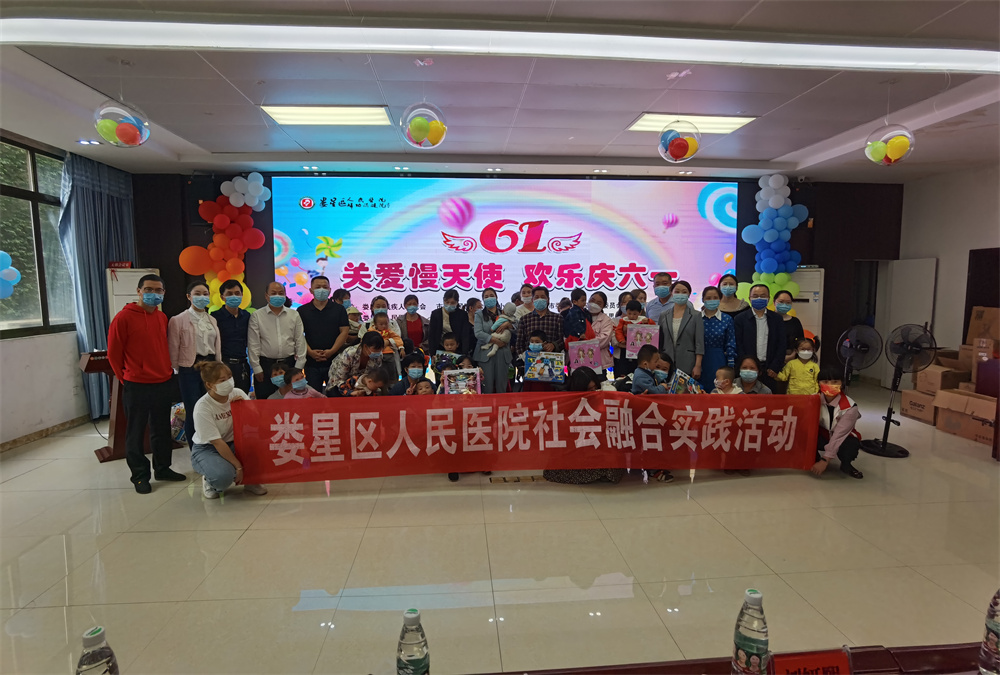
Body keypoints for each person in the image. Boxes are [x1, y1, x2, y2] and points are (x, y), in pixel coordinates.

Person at [107, 274, 186, 494]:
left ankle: (163, 468)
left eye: (158, 290)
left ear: (164, 293)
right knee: (136, 431)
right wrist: (126, 378)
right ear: (139, 291)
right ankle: (140, 476)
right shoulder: (123, 318)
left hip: (162, 382)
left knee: (161, 429)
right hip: (137, 384)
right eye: (149, 289)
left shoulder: (162, 317)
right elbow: (114, 354)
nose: (154, 294)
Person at [189, 361, 267, 499]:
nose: (228, 382)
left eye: (229, 377)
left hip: (234, 442)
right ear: (210, 385)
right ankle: (210, 481)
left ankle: (250, 481)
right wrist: (238, 467)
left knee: (261, 447)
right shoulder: (203, 407)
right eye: (222, 380)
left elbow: (256, 420)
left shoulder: (237, 393)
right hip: (208, 448)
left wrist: (245, 408)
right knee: (223, 476)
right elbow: (217, 442)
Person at [543, 367, 625, 485]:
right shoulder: (567, 403)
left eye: (595, 388)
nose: (594, 391)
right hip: (577, 450)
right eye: (589, 389)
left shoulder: (603, 397)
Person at [168, 281, 222, 449]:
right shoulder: (178, 320)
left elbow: (216, 345)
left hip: (210, 366)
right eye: (197, 294)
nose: (202, 297)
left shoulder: (212, 319)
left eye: (205, 294)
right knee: (194, 410)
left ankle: (211, 446)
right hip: (189, 367)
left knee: (211, 408)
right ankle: (196, 449)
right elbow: (173, 347)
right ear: (189, 296)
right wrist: (176, 369)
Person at [249, 282, 306, 399]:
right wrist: (256, 368)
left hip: (289, 364)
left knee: (291, 400)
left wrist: (299, 366)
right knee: (265, 401)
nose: (277, 296)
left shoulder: (294, 314)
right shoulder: (257, 315)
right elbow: (253, 343)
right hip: (266, 365)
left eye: (281, 293)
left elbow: (300, 340)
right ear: (266, 296)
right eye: (273, 293)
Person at [298, 275, 350, 392]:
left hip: (335, 361)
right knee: (313, 396)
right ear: (311, 290)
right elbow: (298, 335)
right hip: (311, 363)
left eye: (325, 287)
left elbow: (344, 331)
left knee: (335, 394)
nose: (321, 290)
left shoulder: (339, 309)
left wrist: (331, 351)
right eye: (318, 287)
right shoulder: (302, 311)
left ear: (330, 290)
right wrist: (310, 352)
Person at [631, 345, 674, 484]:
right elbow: (654, 392)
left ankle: (657, 466)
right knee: (650, 443)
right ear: (645, 364)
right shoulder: (641, 376)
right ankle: (653, 470)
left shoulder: (648, 373)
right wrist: (662, 387)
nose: (657, 364)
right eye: (656, 361)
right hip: (644, 415)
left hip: (651, 413)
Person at [813, 367, 864, 479]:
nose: (830, 385)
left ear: (842, 383)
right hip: (822, 434)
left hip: (843, 437)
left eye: (835, 381)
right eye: (825, 381)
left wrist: (825, 460)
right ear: (818, 383)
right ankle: (813, 458)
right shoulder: (813, 400)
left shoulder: (850, 407)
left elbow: (839, 435)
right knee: (804, 433)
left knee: (851, 445)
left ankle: (846, 465)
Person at [733, 284, 785, 392]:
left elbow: (781, 345)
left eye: (763, 296)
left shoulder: (777, 319)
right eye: (755, 296)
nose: (759, 298)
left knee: (768, 399)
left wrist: (775, 367)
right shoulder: (740, 319)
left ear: (768, 298)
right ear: (749, 298)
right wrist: (745, 365)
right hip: (747, 370)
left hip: (769, 369)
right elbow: (738, 344)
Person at [658, 280, 704, 380]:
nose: (680, 294)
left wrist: (698, 365)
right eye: (677, 291)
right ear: (671, 293)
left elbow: (699, 343)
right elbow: (660, 340)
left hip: (688, 363)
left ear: (689, 294)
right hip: (666, 363)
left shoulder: (696, 315)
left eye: (684, 292)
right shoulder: (663, 315)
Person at [211, 279, 252, 393]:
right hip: (223, 365)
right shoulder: (215, 317)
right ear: (222, 297)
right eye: (229, 294)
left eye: (237, 293)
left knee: (242, 396)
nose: (234, 296)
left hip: (243, 365)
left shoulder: (247, 316)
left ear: (242, 295)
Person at [474, 289, 515, 394]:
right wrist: (495, 340)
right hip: (485, 355)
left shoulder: (505, 313)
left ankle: (502, 405)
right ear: (483, 300)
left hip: (503, 353)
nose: (489, 298)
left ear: (496, 298)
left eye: (491, 295)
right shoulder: (479, 314)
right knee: (487, 387)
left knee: (502, 386)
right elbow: (478, 333)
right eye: (486, 297)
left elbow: (517, 327)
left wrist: (509, 325)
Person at [699, 285, 737, 392]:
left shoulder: (727, 319)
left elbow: (731, 342)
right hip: (699, 359)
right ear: (703, 300)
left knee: (719, 390)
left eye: (715, 298)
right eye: (708, 298)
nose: (712, 300)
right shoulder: (696, 318)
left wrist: (731, 364)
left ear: (720, 299)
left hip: (719, 359)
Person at [326, 331, 385, 395]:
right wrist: (351, 393)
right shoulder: (349, 354)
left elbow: (374, 377)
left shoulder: (379, 356)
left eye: (380, 349)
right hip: (339, 385)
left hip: (363, 386)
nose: (378, 352)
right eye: (375, 349)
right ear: (365, 347)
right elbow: (339, 380)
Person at [514, 286, 564, 358]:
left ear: (548, 299)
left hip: (552, 360)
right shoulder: (524, 319)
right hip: (529, 361)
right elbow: (519, 344)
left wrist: (554, 345)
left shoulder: (557, 318)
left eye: (543, 297)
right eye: (536, 297)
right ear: (532, 300)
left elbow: (562, 340)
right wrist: (524, 358)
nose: (539, 299)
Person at [613, 300, 655, 378]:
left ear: (640, 312)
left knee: (638, 364)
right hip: (626, 345)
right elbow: (618, 331)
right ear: (626, 311)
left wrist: (648, 321)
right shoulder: (623, 320)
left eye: (634, 314)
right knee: (624, 365)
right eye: (629, 313)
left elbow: (653, 327)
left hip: (640, 347)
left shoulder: (643, 320)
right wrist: (621, 340)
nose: (632, 316)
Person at [428, 289, 470, 354]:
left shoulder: (462, 314)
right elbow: (432, 335)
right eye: (447, 302)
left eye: (452, 303)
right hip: (440, 348)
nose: (449, 304)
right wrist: (432, 353)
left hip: (458, 349)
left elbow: (465, 335)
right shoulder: (436, 314)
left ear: (457, 302)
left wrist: (464, 354)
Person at [774, 290, 805, 361]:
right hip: (770, 359)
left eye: (788, 302)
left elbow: (801, 341)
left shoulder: (795, 321)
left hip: (791, 358)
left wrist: (793, 355)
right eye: (781, 302)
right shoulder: (768, 319)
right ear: (774, 302)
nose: (784, 305)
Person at [371, 311, 403, 381]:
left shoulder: (390, 332)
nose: (384, 326)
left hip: (389, 354)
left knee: (392, 371)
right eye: (381, 324)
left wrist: (401, 347)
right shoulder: (371, 332)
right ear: (375, 324)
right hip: (377, 355)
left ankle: (393, 384)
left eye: (386, 324)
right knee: (378, 373)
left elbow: (397, 338)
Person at [588, 292, 614, 378]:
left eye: (599, 303)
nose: (594, 304)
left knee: (599, 384)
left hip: (599, 362)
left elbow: (604, 340)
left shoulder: (606, 320)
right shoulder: (579, 315)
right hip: (580, 360)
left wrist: (584, 343)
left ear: (603, 306)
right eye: (592, 300)